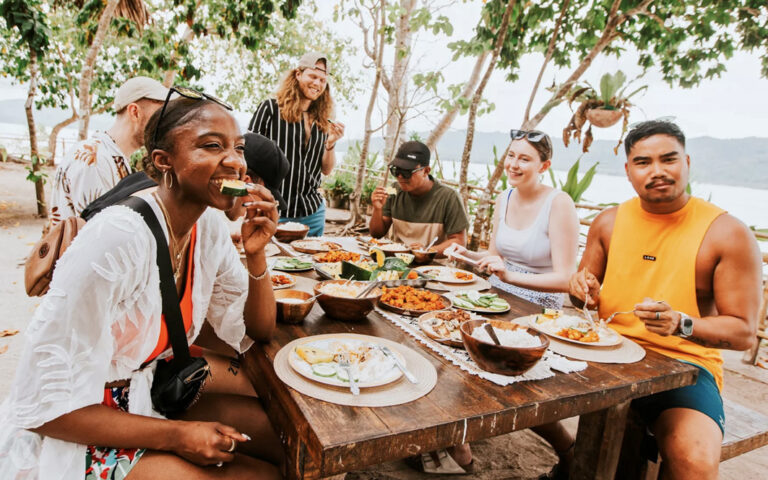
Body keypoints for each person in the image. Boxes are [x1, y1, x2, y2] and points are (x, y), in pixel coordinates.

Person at [0, 90, 284, 480]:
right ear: (164, 161)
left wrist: (256, 256)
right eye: (212, 146)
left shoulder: (210, 227)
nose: (235, 162)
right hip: (78, 423)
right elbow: (40, 407)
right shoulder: (118, 239)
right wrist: (179, 436)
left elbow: (258, 330)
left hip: (146, 391)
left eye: (237, 147)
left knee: (283, 439)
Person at [569, 120, 761, 480]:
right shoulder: (608, 222)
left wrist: (681, 323)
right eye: (643, 162)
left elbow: (744, 333)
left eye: (668, 159)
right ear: (628, 171)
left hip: (683, 367)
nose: (657, 171)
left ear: (687, 162)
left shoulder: (727, 233)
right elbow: (583, 293)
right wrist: (581, 288)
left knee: (695, 461)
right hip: (605, 356)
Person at [443, 129, 580, 478]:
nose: (514, 165)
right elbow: (495, 256)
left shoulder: (559, 203)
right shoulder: (505, 196)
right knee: (452, 351)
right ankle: (457, 441)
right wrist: (465, 254)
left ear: (544, 165)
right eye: (511, 156)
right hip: (495, 298)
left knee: (516, 389)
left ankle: (569, 449)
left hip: (539, 309)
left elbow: (567, 278)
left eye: (524, 158)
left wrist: (510, 277)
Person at [48, 76, 168, 228]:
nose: (163, 123)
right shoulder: (94, 160)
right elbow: (99, 233)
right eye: (159, 115)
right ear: (134, 112)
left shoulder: (113, 158)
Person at [248, 51, 345, 236]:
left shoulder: (324, 120)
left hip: (313, 213)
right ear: (298, 74)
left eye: (322, 80)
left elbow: (326, 170)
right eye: (313, 76)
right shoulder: (270, 108)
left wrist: (331, 144)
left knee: (312, 265)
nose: (317, 83)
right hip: (274, 211)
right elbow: (249, 157)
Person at [369, 140, 469, 254]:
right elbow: (376, 234)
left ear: (426, 171)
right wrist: (377, 209)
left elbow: (459, 241)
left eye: (407, 171)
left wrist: (426, 251)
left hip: (433, 266)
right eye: (396, 170)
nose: (400, 176)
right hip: (396, 260)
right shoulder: (394, 190)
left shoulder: (448, 197)